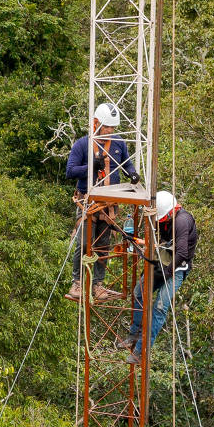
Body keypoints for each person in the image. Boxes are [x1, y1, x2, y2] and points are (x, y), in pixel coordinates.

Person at [66, 102, 135, 302]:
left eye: (113, 128)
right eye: (107, 127)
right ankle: (77, 282)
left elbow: (126, 164)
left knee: (103, 245)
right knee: (84, 243)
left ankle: (98, 284)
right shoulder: (82, 144)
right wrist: (90, 167)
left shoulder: (119, 144)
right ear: (96, 123)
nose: (110, 131)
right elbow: (70, 171)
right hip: (88, 202)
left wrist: (132, 174)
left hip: (108, 204)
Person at [134, 190, 195, 356]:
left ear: (170, 212)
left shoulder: (182, 221)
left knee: (160, 306)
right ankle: (135, 335)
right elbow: (160, 240)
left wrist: (167, 273)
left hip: (177, 267)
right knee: (139, 291)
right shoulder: (166, 220)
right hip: (164, 262)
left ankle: (141, 350)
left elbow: (182, 253)